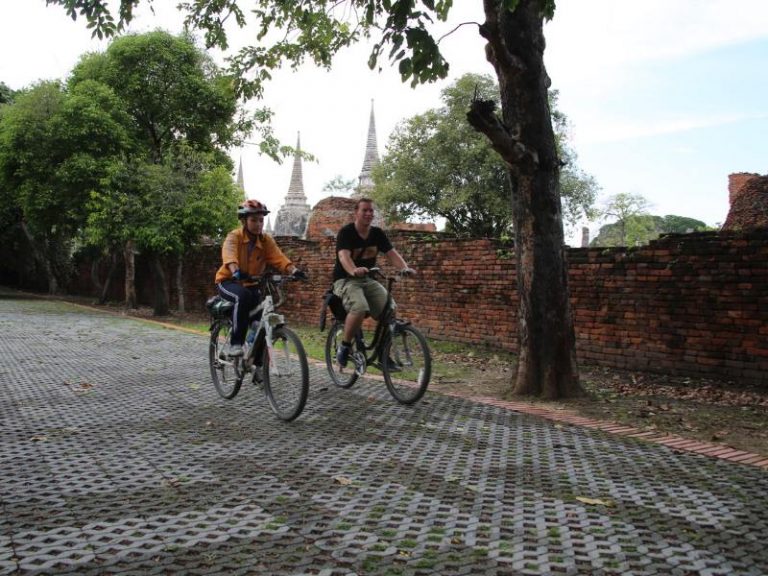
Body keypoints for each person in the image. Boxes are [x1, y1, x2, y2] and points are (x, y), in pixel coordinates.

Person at [215, 199, 306, 357]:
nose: (258, 224)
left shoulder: (266, 241)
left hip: (251, 284)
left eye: (261, 220)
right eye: (253, 220)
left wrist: (294, 271)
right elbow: (229, 256)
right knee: (242, 297)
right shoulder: (234, 237)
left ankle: (257, 366)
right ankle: (235, 343)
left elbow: (279, 258)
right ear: (244, 221)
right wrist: (235, 271)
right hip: (229, 281)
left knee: (261, 323)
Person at [332, 197, 414, 368]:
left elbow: (391, 253)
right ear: (356, 212)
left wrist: (404, 268)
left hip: (367, 279)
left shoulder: (377, 234)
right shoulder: (346, 232)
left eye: (371, 211)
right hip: (345, 280)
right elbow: (343, 256)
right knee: (359, 307)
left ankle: (383, 355)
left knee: (390, 309)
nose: (369, 213)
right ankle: (345, 346)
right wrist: (353, 269)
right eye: (365, 210)